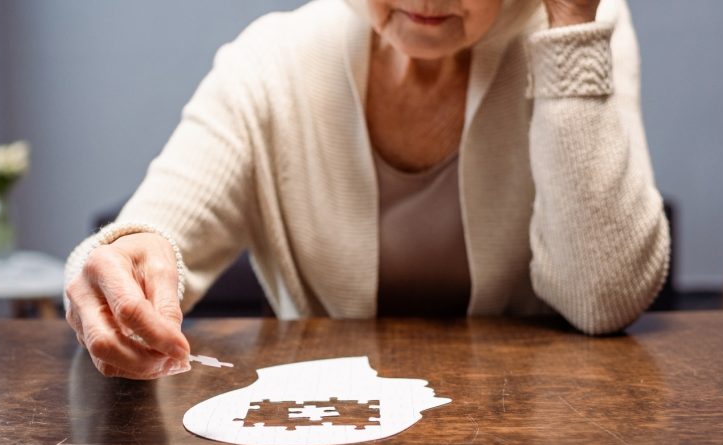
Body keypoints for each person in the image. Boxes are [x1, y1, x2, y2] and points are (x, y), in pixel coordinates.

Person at [63, 0, 669, 379]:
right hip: (327, 437)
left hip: (537, 429)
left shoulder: (582, 23)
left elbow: (602, 303)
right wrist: (119, 260)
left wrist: (569, 32)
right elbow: (153, 229)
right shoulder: (273, 58)